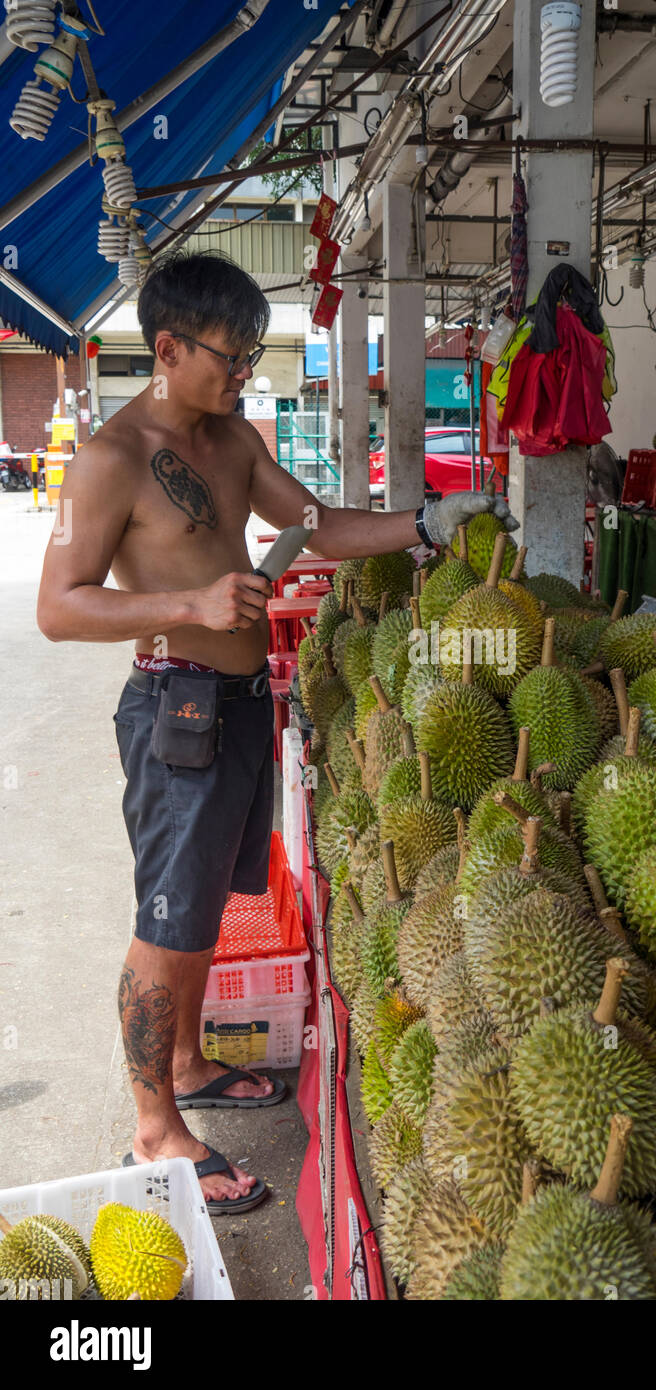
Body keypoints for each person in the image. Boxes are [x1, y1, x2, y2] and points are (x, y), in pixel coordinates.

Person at [36, 249, 517, 1213]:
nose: (245, 372)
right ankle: (155, 1128)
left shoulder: (234, 437)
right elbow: (59, 607)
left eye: (253, 354)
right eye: (230, 354)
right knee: (166, 925)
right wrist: (193, 600)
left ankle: (188, 1059)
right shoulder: (109, 461)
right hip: (177, 708)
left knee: (209, 898)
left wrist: (426, 521)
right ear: (168, 348)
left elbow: (321, 526)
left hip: (246, 702)